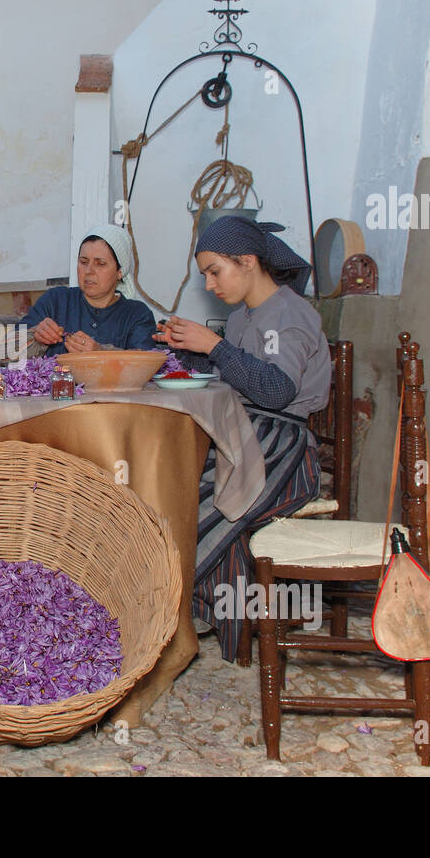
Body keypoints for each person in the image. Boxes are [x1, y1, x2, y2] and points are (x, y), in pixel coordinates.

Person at [154, 214, 331, 660]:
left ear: (248, 261)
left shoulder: (288, 314)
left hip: (281, 448)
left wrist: (212, 346)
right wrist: (180, 351)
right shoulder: (242, 318)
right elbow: (231, 378)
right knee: (169, 485)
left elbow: (275, 390)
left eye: (216, 271)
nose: (211, 284)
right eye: (206, 275)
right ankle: (193, 610)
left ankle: (170, 604)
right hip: (246, 435)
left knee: (197, 504)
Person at [20, 224, 157, 355]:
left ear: (120, 271)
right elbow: (6, 352)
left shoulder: (137, 315)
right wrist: (35, 335)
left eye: (100, 264)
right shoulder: (55, 301)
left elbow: (146, 363)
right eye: (83, 262)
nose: (89, 271)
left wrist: (101, 353)